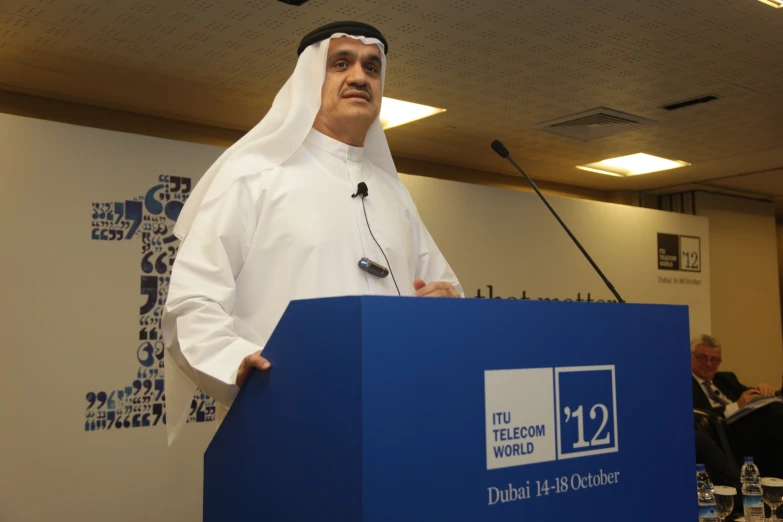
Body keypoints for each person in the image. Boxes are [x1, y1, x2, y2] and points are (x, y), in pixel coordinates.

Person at [161, 21, 463, 445]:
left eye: (372, 68)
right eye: (342, 63)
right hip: (283, 423)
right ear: (309, 80)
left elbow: (443, 287)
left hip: (393, 422)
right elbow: (191, 303)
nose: (360, 76)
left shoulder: (395, 195)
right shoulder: (252, 178)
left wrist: (449, 300)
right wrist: (236, 361)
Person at [691, 334, 783, 478]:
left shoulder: (727, 379)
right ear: (691, 356)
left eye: (714, 360)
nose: (709, 364)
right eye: (703, 357)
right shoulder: (685, 383)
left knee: (775, 410)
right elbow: (696, 415)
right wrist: (735, 407)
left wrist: (762, 390)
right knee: (774, 415)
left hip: (753, 429)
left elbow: (749, 396)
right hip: (723, 433)